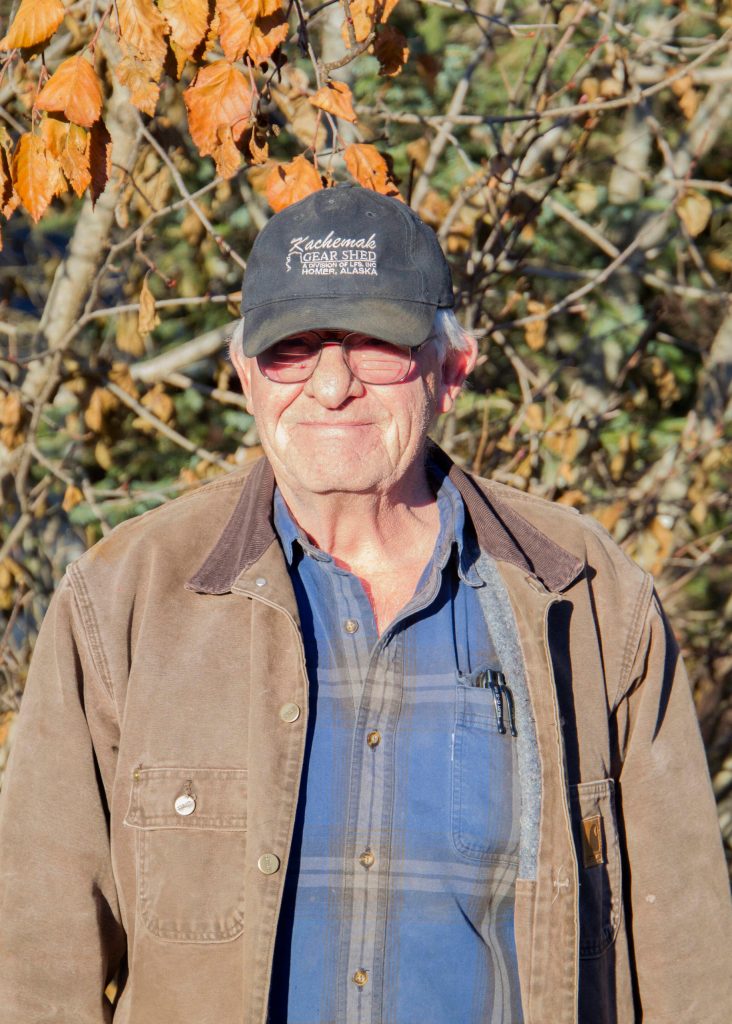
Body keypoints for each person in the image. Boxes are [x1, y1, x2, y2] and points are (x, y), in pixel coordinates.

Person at [0, 184, 729, 1024]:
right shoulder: (122, 600)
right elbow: (38, 959)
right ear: (245, 375)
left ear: (450, 371)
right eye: (293, 350)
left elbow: (689, 952)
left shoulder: (589, 598)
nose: (332, 384)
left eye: (375, 345)